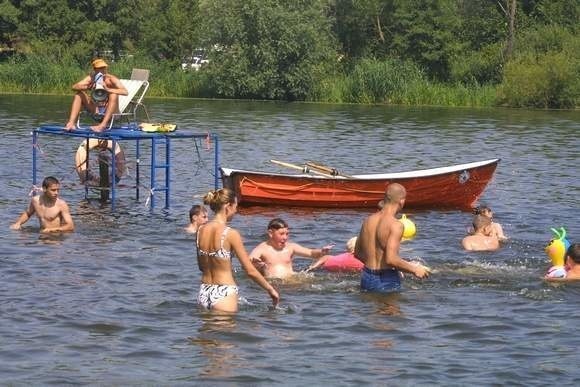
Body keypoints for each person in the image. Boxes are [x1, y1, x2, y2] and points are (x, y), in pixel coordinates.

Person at [196, 188, 279, 312]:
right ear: (228, 206)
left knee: (207, 330)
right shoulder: (231, 233)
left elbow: (201, 267)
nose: (236, 211)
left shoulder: (200, 231)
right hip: (224, 293)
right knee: (226, 331)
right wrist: (270, 289)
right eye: (235, 206)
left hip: (204, 291)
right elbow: (249, 270)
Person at [354, 183, 430, 293]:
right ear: (401, 201)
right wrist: (415, 269)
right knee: (392, 310)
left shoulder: (368, 220)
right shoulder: (396, 225)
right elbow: (391, 259)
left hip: (366, 276)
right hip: (386, 279)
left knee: (369, 309)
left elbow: (357, 253)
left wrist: (374, 264)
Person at [250, 218, 334, 279]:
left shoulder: (290, 247)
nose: (285, 237)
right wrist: (258, 265)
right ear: (270, 233)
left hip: (292, 280)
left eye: (287, 234)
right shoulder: (262, 249)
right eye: (281, 234)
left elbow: (311, 253)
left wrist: (322, 251)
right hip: (273, 282)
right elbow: (249, 261)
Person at [64, 58, 128, 132]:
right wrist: (88, 87)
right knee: (79, 94)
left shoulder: (111, 79)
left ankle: (102, 125)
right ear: (95, 69)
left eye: (104, 68)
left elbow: (125, 92)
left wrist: (108, 89)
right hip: (96, 109)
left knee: (113, 94)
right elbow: (74, 87)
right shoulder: (91, 78)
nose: (102, 70)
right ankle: (71, 123)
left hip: (112, 112)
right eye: (99, 68)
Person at [10, 176, 74, 233]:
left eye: (58, 190)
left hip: (56, 237)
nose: (56, 193)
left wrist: (52, 230)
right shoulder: (35, 200)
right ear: (44, 189)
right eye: (53, 190)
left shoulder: (61, 204)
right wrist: (18, 223)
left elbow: (70, 226)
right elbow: (28, 213)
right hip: (42, 234)